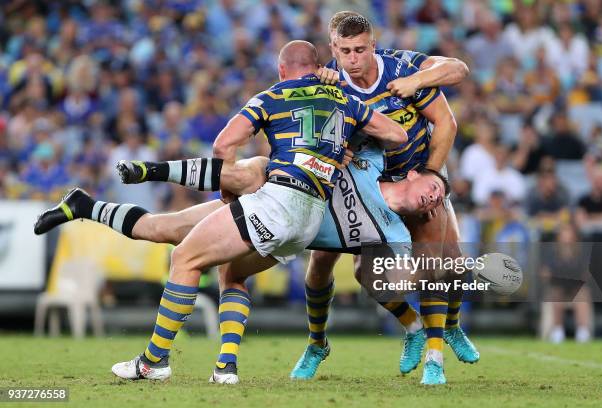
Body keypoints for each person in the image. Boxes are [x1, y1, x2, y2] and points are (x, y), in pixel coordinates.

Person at [34, 40, 411, 383]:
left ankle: (153, 361)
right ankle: (225, 367)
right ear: (317, 66)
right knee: (191, 247)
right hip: (308, 219)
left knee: (184, 258)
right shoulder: (345, 99)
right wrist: (351, 143)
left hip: (277, 201)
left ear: (282, 70)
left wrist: (228, 195)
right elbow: (397, 135)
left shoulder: (272, 97)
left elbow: (222, 145)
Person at [300, 12, 474, 385]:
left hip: (419, 173)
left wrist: (417, 82)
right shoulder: (328, 83)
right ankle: (322, 342)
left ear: (372, 46)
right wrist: (336, 150)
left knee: (448, 264)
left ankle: (444, 338)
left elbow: (451, 106)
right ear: (333, 48)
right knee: (336, 264)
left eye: (360, 49)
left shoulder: (403, 68)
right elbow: (308, 135)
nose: (353, 58)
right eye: (344, 50)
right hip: (364, 188)